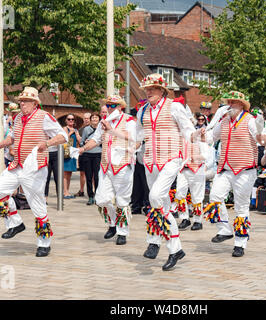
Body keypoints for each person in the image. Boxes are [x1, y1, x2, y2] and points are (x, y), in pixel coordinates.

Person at [136, 73, 204, 271]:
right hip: (150, 161)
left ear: (161, 90)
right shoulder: (142, 111)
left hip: (171, 158)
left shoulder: (174, 106)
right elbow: (138, 135)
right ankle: (174, 249)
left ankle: (157, 241)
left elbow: (187, 129)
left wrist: (196, 134)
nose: (148, 91)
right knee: (159, 203)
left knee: (156, 196)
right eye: (146, 89)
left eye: (152, 88)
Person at [0, 86, 68, 257]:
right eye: (21, 101)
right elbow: (12, 138)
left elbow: (63, 136)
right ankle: (15, 223)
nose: (22, 103)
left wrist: (47, 144)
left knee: (37, 204)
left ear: (34, 103)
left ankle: (44, 243)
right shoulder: (18, 118)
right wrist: (0, 145)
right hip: (17, 164)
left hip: (35, 167)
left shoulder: (44, 117)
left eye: (25, 101)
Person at [205, 91, 266, 258]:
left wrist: (262, 134)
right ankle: (225, 230)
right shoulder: (224, 120)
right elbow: (211, 137)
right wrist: (198, 132)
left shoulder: (249, 120)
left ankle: (240, 243)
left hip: (245, 170)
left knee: (241, 206)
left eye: (234, 102)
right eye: (229, 102)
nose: (230, 105)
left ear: (242, 105)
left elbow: (261, 140)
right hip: (225, 169)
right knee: (214, 197)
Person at [79, 95, 136, 246]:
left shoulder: (129, 120)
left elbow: (133, 138)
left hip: (123, 164)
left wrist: (112, 130)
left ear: (120, 107)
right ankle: (112, 223)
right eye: (108, 105)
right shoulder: (103, 122)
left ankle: (122, 232)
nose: (109, 108)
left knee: (122, 200)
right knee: (101, 199)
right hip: (106, 165)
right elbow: (96, 139)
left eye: (112, 105)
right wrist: (83, 148)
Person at [130, 108, 150, 215]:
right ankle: (136, 205)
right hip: (137, 157)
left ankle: (147, 205)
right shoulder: (135, 127)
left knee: (146, 183)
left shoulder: (148, 128)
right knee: (137, 184)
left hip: (148, 158)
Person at [79, 112, 102, 205]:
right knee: (88, 176)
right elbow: (81, 143)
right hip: (87, 154)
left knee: (97, 177)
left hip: (98, 154)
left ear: (99, 119)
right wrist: (85, 142)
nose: (94, 119)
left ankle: (97, 195)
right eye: (93, 118)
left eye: (96, 118)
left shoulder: (101, 129)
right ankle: (90, 196)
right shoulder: (86, 129)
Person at [63, 114, 81, 199]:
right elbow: (65, 139)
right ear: (66, 120)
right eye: (69, 119)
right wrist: (70, 133)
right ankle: (64, 192)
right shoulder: (64, 128)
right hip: (67, 151)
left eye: (72, 119)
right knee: (65, 173)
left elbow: (80, 141)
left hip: (73, 151)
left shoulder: (76, 130)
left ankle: (67, 191)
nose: (71, 121)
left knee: (69, 173)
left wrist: (77, 135)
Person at [75, 112, 92, 198]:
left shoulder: (94, 129)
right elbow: (80, 142)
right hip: (82, 153)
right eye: (84, 118)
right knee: (82, 173)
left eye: (88, 118)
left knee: (92, 174)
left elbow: (82, 140)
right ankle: (81, 190)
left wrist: (80, 138)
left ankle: (93, 190)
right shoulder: (81, 129)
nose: (86, 120)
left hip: (91, 153)